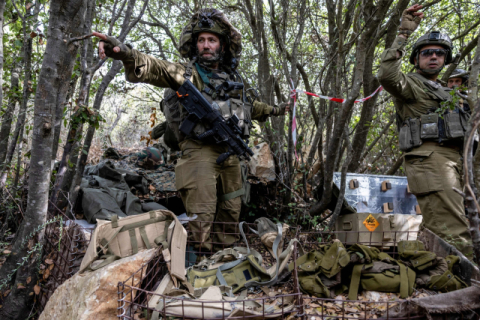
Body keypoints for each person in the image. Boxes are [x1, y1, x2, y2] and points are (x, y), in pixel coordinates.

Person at [93, 8, 289, 253]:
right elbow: (158, 68)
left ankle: (222, 257)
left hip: (230, 152)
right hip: (199, 150)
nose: (206, 45)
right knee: (202, 214)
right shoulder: (187, 73)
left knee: (231, 209)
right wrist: (126, 54)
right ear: (195, 44)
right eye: (201, 40)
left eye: (212, 40)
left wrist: (277, 110)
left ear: (223, 45)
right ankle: (201, 262)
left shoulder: (233, 77)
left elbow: (250, 107)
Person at [377, 4, 473, 259]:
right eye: (427, 53)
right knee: (451, 227)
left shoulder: (451, 93)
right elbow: (386, 75)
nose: (434, 57)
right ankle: (460, 286)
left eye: (440, 54)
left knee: (470, 224)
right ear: (417, 58)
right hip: (431, 160)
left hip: (462, 161)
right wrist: (404, 34)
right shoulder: (411, 85)